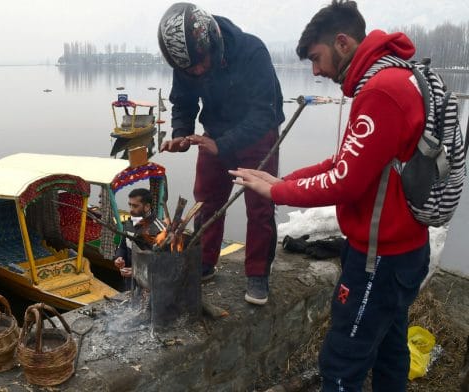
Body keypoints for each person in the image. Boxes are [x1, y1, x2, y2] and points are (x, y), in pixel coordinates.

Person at [231, 1, 429, 390]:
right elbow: (345, 163)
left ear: (342, 42)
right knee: (390, 348)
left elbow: (345, 182)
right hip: (403, 249)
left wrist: (278, 192)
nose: (316, 71)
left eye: (317, 59)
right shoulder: (397, 76)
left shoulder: (381, 91)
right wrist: (279, 180)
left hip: (379, 258)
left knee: (342, 363)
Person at [157, 3, 285, 305]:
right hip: (214, 133)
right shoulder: (186, 62)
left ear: (212, 42)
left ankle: (257, 274)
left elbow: (264, 113)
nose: (197, 71)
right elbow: (183, 103)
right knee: (206, 200)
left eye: (201, 64)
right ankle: (204, 262)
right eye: (190, 70)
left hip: (257, 135)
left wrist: (224, 145)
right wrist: (181, 135)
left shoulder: (251, 51)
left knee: (260, 206)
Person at [114, 188, 166, 291]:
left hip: (151, 286)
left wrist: (136, 272)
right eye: (130, 204)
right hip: (130, 283)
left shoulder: (159, 230)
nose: (131, 209)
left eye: (135, 206)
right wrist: (119, 258)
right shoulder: (129, 223)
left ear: (147, 206)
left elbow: (163, 265)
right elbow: (122, 247)